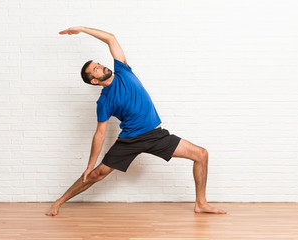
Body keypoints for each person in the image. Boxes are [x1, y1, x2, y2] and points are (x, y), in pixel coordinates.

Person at [45, 26, 227, 216]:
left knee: (201, 154)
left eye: (99, 64)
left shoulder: (123, 71)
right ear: (94, 81)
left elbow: (111, 38)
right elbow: (100, 133)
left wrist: (82, 29)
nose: (102, 66)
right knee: (96, 174)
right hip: (130, 140)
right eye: (96, 69)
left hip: (156, 135)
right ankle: (59, 202)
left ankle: (201, 203)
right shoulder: (104, 101)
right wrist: (90, 164)